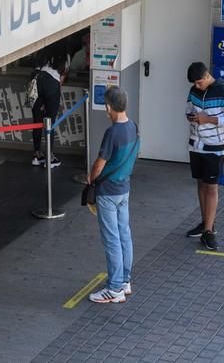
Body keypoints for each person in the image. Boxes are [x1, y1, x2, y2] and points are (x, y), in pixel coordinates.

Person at [88, 87, 140, 304]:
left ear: (109, 107)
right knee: (124, 235)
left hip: (108, 192)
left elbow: (100, 165)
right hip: (124, 188)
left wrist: (90, 179)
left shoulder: (112, 133)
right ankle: (125, 281)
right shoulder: (133, 127)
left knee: (111, 239)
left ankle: (115, 287)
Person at [184, 62, 224, 250]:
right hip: (196, 145)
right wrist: (191, 116)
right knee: (201, 183)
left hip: (214, 147)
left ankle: (209, 231)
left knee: (212, 187)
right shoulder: (194, 91)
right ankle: (206, 222)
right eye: (195, 84)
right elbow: (188, 108)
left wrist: (208, 119)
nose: (196, 87)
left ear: (207, 76)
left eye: (199, 83)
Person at [31, 41, 69, 168]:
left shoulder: (42, 53)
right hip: (51, 84)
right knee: (50, 121)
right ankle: (49, 157)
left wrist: (41, 101)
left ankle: (37, 155)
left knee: (37, 120)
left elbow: (35, 68)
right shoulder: (64, 56)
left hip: (35, 81)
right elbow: (60, 79)